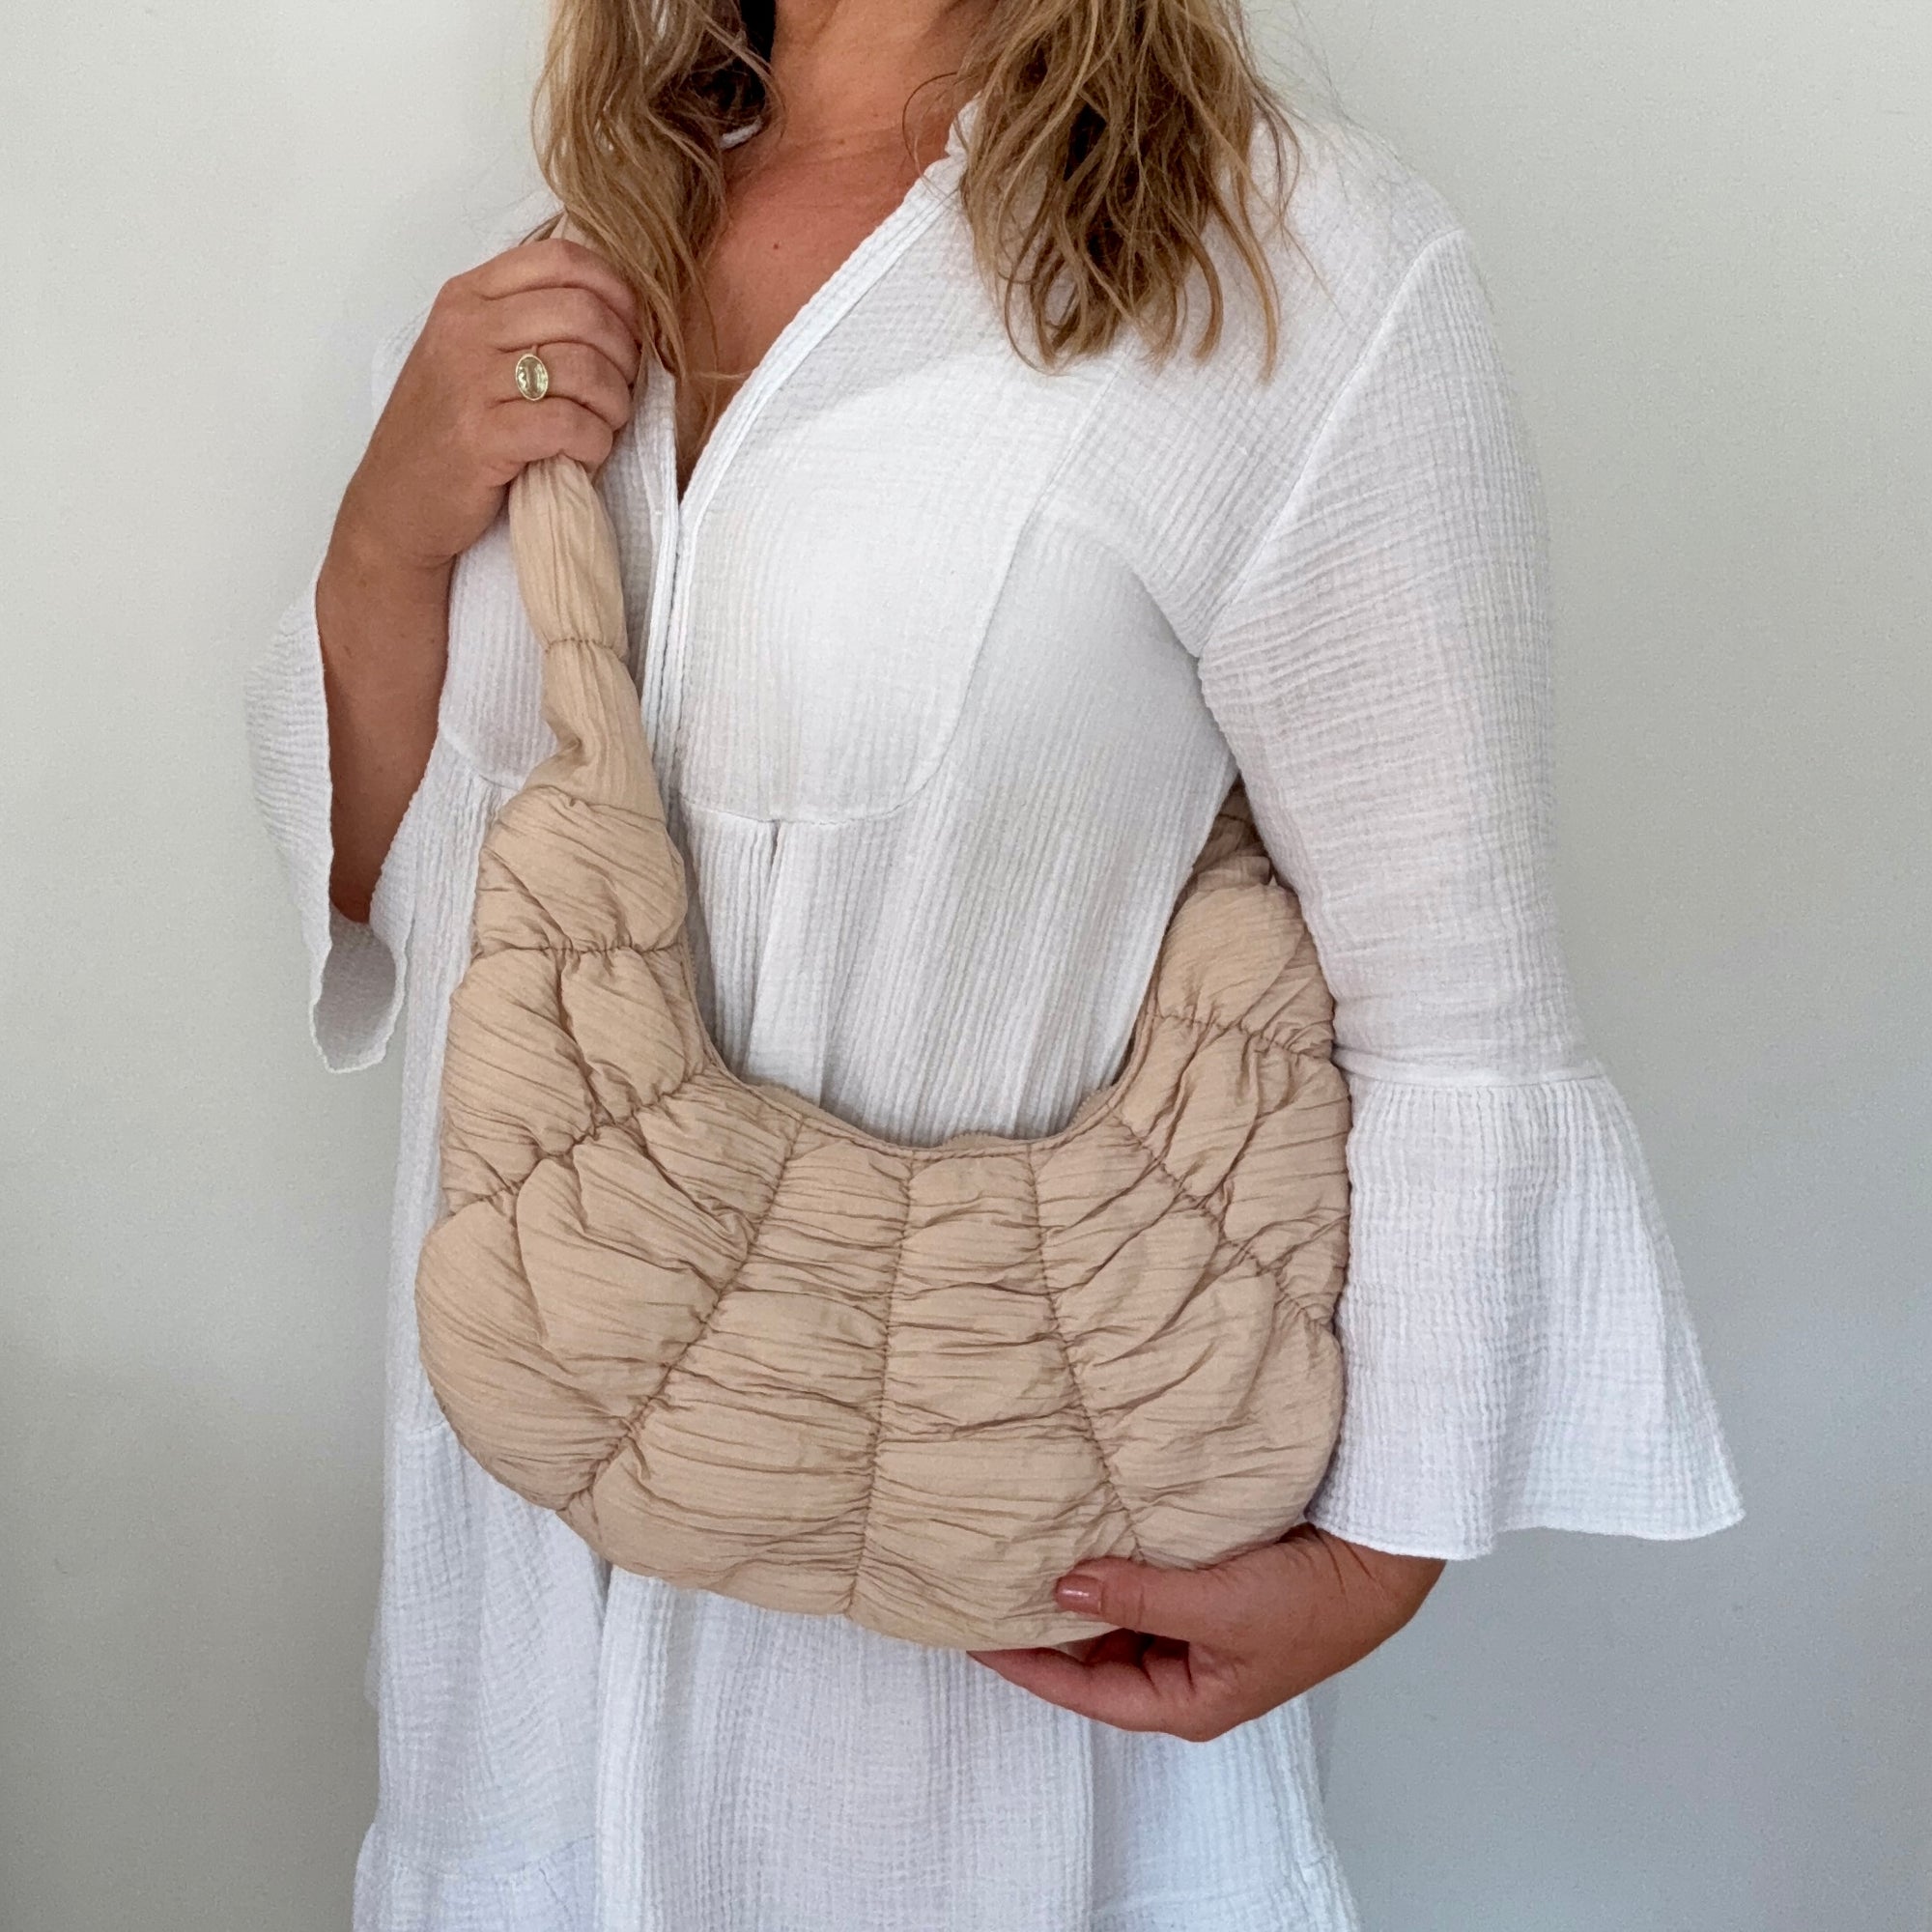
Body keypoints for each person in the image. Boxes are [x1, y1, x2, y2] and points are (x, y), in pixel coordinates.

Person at [243, 1, 1743, 1925]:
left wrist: (1378, 1555)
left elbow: (1453, 995)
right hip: (517, 1681)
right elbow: (394, 900)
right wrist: (382, 539)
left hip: (993, 1710)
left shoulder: (1282, 260)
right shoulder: (553, 249)